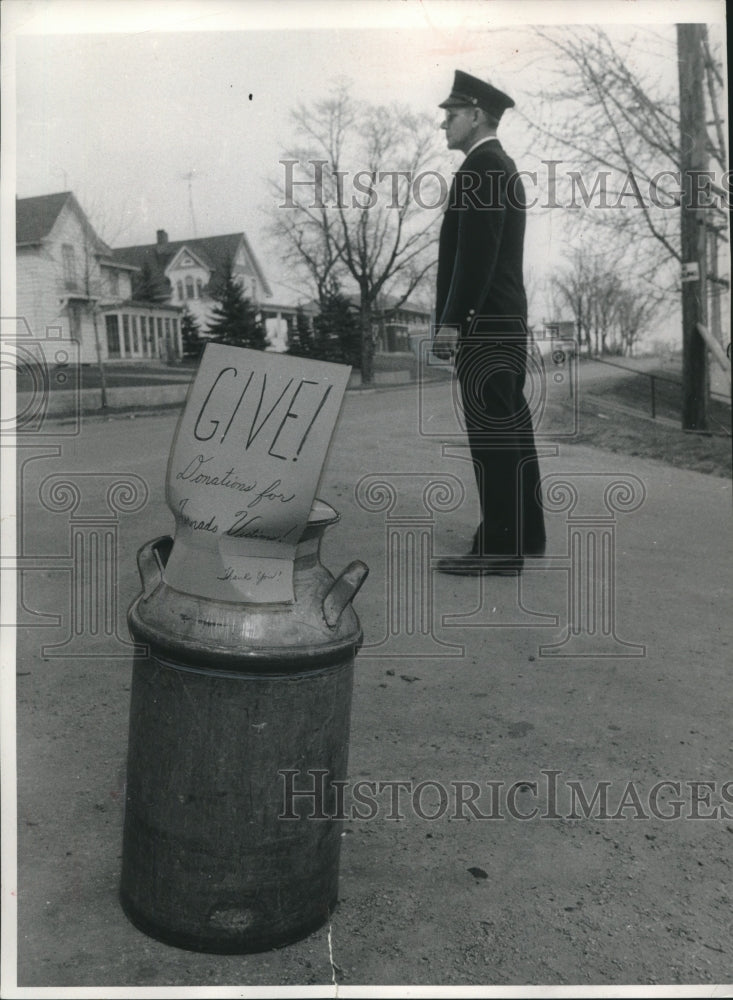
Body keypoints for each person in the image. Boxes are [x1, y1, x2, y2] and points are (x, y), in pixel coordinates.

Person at [432, 70, 545, 576]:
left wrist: (453, 322)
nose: (444, 126)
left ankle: (500, 548)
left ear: (476, 115)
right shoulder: (499, 166)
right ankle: (518, 535)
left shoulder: (482, 168)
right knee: (510, 430)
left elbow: (475, 257)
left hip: (485, 325)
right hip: (503, 321)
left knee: (493, 435)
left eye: (451, 115)